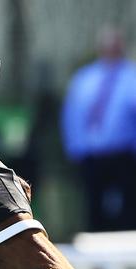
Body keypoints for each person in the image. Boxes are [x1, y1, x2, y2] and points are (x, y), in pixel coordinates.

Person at [60, 26, 136, 232]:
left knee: (127, 206)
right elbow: (72, 114)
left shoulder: (131, 76)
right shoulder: (85, 78)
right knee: (93, 206)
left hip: (124, 154)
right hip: (91, 155)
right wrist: (75, 147)